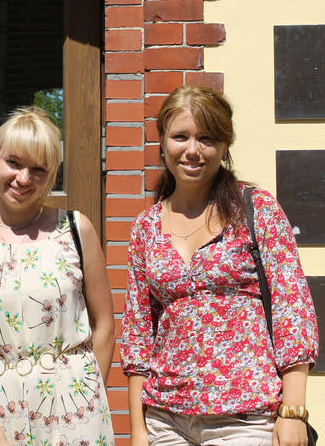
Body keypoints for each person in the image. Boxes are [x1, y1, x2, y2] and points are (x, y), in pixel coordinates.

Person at [121, 86, 318, 445]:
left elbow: (294, 313)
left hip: (244, 419)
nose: (192, 150)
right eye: (180, 137)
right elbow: (138, 336)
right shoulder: (146, 227)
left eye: (206, 138)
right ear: (162, 141)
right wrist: (138, 431)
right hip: (166, 421)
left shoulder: (256, 210)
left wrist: (293, 412)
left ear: (225, 146)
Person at [0, 107, 116, 445]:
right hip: (1, 414)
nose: (24, 178)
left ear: (51, 175)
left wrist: (90, 398)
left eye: (38, 169)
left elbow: (105, 324)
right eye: (15, 163)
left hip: (77, 410)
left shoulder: (76, 229)